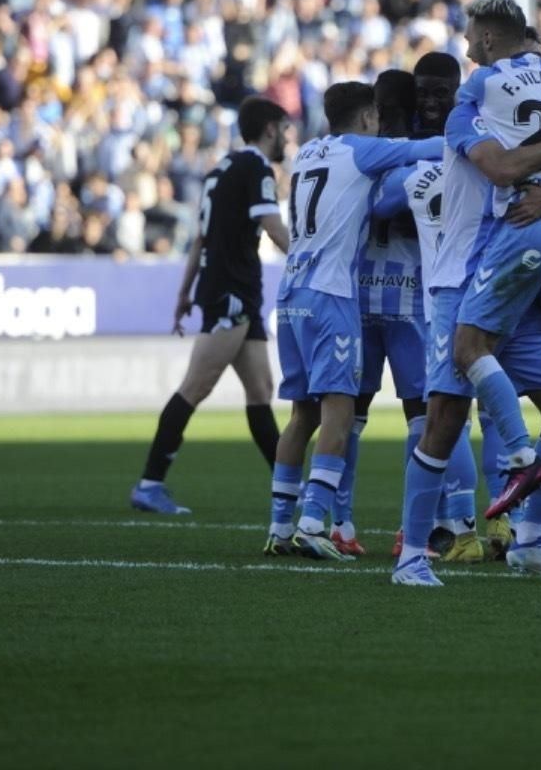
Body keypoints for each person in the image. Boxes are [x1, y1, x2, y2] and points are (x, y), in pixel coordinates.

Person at [393, 0, 541, 586]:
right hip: (460, 279)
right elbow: (524, 168)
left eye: (470, 39)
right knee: (445, 417)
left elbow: (514, 171)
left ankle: (530, 542)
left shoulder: (478, 100)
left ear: (488, 43)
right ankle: (413, 555)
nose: (466, 50)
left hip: (505, 269)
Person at [263, 82, 443, 560]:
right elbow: (434, 147)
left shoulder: (305, 153)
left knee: (301, 414)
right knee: (338, 412)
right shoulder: (363, 151)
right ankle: (312, 521)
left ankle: (279, 526)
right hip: (331, 295)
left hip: (290, 294)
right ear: (367, 118)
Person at [131, 97, 291, 515]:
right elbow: (273, 227)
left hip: (234, 291)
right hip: (232, 292)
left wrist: (185, 293)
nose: (287, 138)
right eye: (284, 130)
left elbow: (200, 238)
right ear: (270, 129)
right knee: (196, 386)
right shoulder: (257, 168)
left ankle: (289, 484)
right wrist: (312, 262)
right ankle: (150, 483)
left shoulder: (220, 169)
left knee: (261, 390)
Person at [330, 69, 430, 557]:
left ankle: (339, 523)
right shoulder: (416, 153)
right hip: (409, 300)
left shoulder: (350, 154)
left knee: (347, 416)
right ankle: (414, 531)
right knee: (423, 417)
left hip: (357, 299)